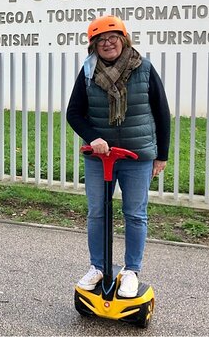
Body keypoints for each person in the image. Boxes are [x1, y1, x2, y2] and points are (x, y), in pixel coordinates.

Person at [66, 15, 170, 298]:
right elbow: (73, 113)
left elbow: (162, 113)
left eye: (112, 37)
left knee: (135, 214)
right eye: (100, 40)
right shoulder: (88, 72)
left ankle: (132, 271)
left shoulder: (144, 68)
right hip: (100, 158)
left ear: (124, 39)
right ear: (93, 46)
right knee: (98, 213)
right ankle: (98, 266)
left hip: (137, 157)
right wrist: (93, 137)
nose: (107, 43)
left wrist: (161, 155)